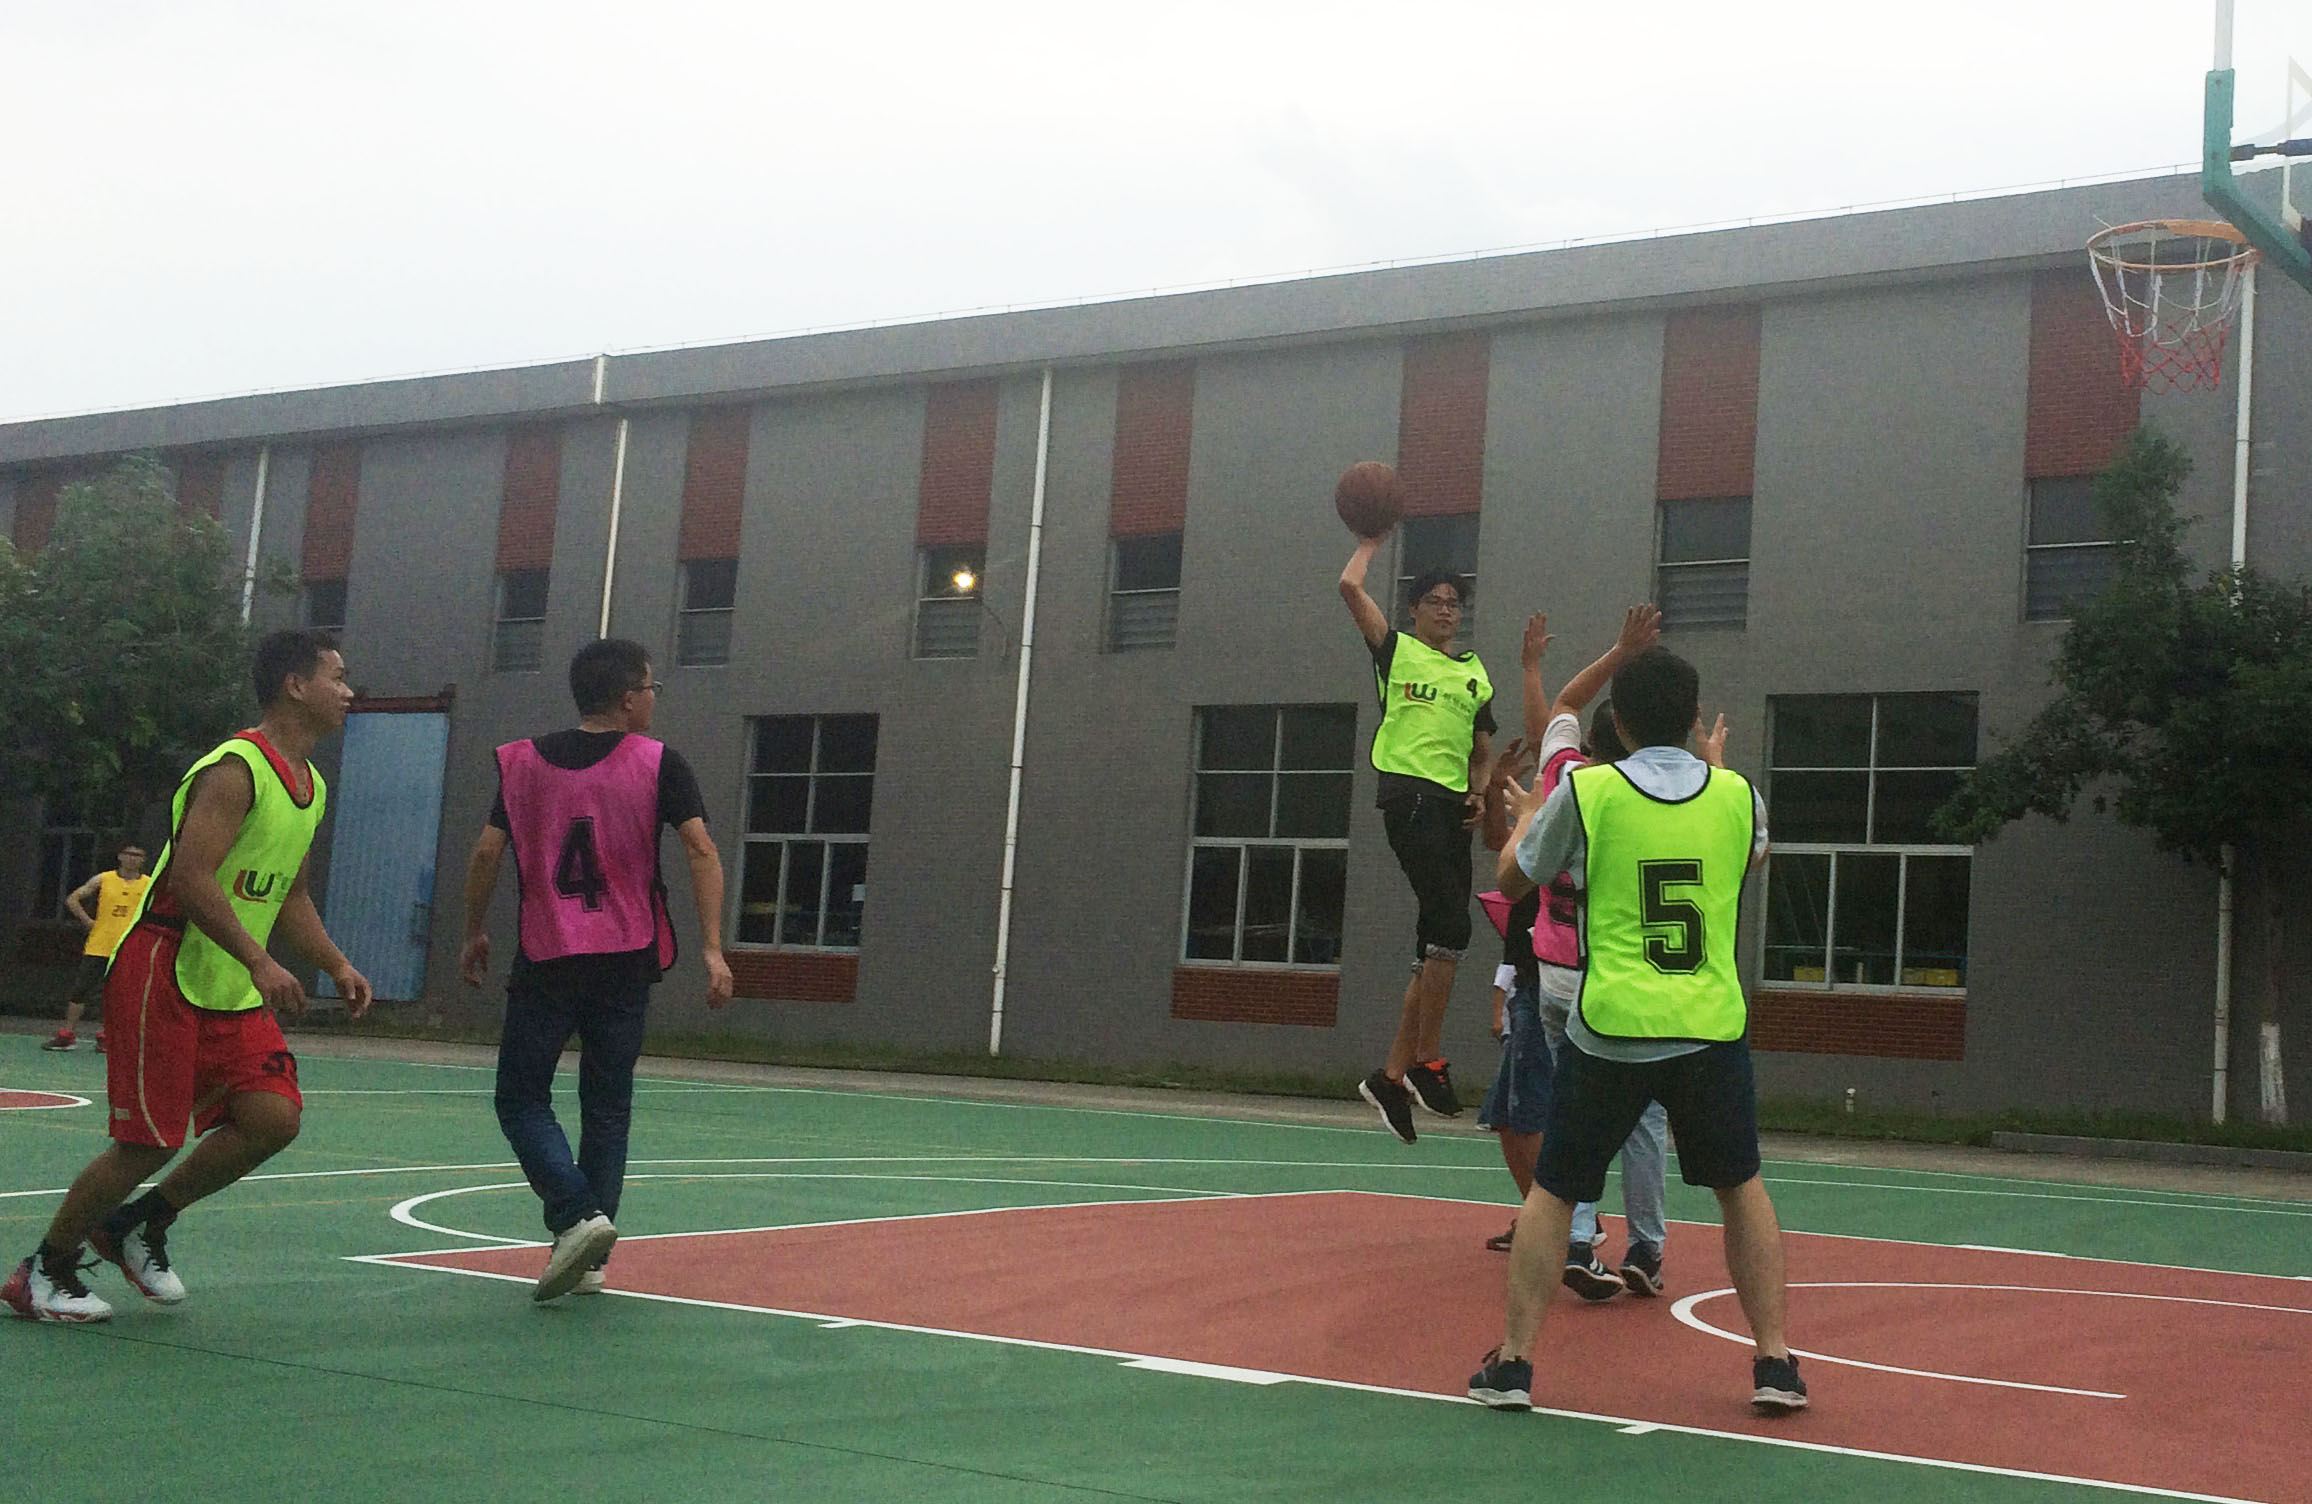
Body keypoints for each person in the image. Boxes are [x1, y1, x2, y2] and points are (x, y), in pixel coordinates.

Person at [1469, 647, 1806, 1416]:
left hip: (1614, 1026)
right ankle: (1775, 1362)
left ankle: (1515, 1364)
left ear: (1616, 722)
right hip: (1709, 1026)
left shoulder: (1590, 792)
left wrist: (1528, 820)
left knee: (1555, 1194)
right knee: (1740, 1187)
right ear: (1694, 718)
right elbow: (1750, 861)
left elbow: (1513, 881)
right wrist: (1715, 773)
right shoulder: (1738, 796)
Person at [6, 630, 373, 1324]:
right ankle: (43, 1270)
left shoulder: (311, 785)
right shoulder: (236, 768)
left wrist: (335, 963)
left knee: (273, 1117)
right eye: (337, 676)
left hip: (227, 979)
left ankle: (135, 1223)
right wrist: (261, 960)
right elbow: (190, 878)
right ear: (296, 686)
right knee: (147, 1141)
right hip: (165, 966)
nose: (349, 691)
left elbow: (290, 893)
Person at [459, 638, 734, 1302]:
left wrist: (473, 930)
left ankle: (575, 1217)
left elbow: (487, 852)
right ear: (628, 698)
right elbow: (700, 849)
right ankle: (589, 1245)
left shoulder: (523, 762)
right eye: (651, 689)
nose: (654, 700)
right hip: (626, 954)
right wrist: (712, 947)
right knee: (606, 1105)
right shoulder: (658, 762)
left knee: (521, 1097)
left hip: (549, 954)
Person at [1477, 608, 1671, 1280]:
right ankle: (1645, 1247)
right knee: (1643, 1118)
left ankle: (1580, 1237)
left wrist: (1618, 650)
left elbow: (1562, 704)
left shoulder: (1566, 776)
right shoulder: (1653, 800)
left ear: (1591, 743)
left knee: (1572, 1111)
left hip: (1559, 972)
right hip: (1626, 975)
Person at [1339, 537, 1494, 1142]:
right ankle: (1427, 1062)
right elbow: (1350, 588)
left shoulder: (1474, 674)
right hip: (1410, 796)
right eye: (1435, 600)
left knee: (1436, 945)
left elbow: (1481, 752)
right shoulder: (1397, 651)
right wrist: (1370, 542)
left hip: (1453, 806)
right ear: (1414, 609)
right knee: (1453, 926)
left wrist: (1480, 791)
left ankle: (1390, 1077)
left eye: (1455, 602)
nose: (1447, 609)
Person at [43, 843, 151, 1052]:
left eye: (138, 855)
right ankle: (67, 1035)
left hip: (128, 948)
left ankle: (107, 1036)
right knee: (80, 990)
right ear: (120, 857)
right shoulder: (104, 879)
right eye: (129, 854)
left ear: (143, 860)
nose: (132, 858)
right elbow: (73, 899)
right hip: (99, 946)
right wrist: (87, 921)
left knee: (118, 995)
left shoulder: (148, 884)